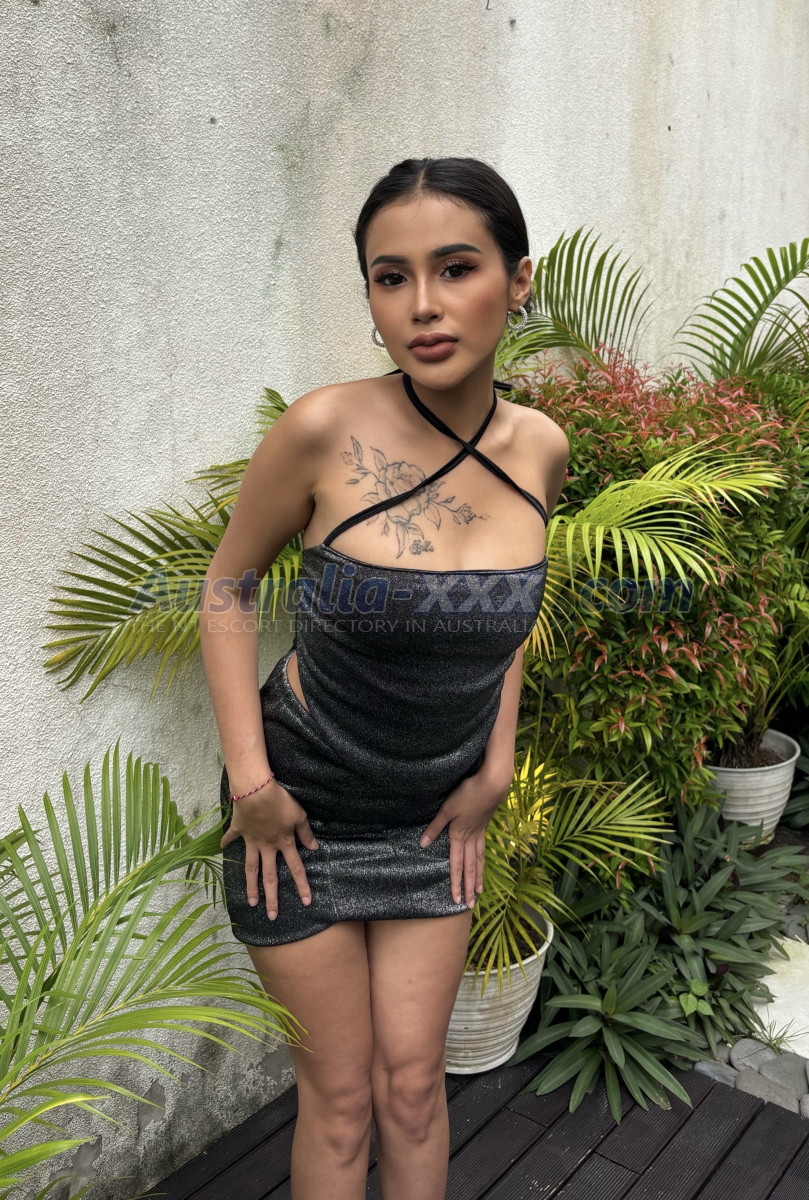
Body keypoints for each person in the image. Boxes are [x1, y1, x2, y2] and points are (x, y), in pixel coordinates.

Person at [198, 156, 569, 1200]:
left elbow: (503, 621)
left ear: (518, 279)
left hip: (431, 818)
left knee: (413, 1089)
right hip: (299, 817)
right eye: (389, 277)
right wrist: (252, 786)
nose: (422, 306)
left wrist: (494, 766)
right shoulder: (324, 429)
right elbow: (225, 589)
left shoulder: (540, 449)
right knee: (342, 1100)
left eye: (455, 268)